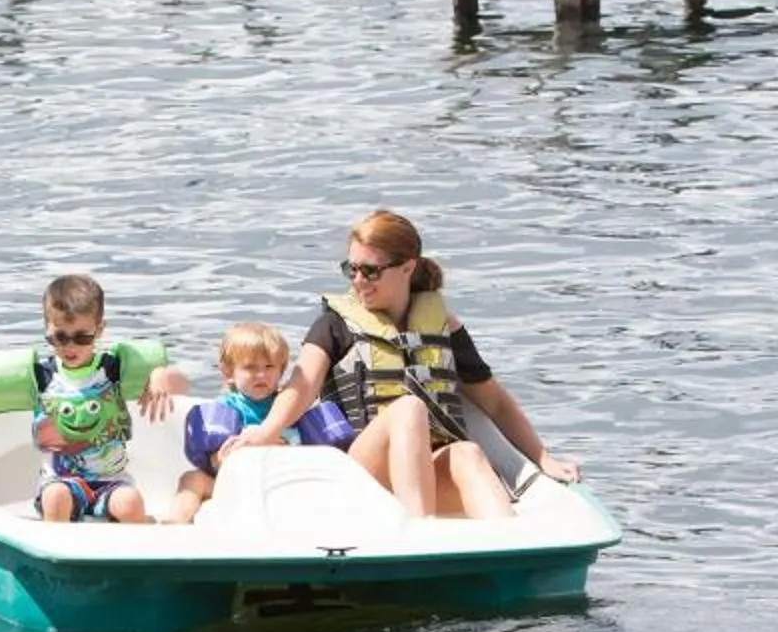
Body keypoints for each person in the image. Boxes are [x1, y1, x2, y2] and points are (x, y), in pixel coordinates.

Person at [232, 209, 578, 520]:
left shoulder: (443, 326)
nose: (358, 281)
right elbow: (303, 384)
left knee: (468, 453)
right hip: (360, 473)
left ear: (408, 267)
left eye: (370, 271)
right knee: (409, 408)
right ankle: (420, 532)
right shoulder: (335, 324)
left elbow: (496, 403)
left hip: (425, 470)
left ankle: (509, 553)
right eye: (350, 270)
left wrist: (543, 457)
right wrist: (266, 433)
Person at [0, 272, 188, 524]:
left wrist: (160, 375)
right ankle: (56, 557)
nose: (70, 347)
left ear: (100, 329)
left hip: (111, 483)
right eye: (60, 337)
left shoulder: (113, 370)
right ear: (47, 329)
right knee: (56, 497)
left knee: (130, 502)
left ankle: (138, 553)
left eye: (82, 337)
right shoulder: (40, 376)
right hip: (60, 481)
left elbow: (182, 383)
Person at [165, 321, 356, 526]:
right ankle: (175, 525)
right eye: (250, 367)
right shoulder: (224, 409)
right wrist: (220, 458)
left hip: (286, 485)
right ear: (228, 372)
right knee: (192, 480)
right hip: (239, 486)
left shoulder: (292, 407)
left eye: (269, 366)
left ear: (281, 370)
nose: (261, 374)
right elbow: (214, 461)